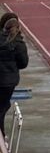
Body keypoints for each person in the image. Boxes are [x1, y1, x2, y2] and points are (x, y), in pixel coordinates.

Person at [0, 13, 27, 142]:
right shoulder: (19, 43)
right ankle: (1, 136)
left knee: (2, 107)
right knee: (3, 107)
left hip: (6, 80)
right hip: (8, 81)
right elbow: (23, 63)